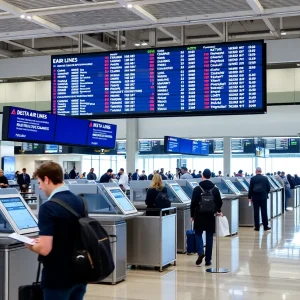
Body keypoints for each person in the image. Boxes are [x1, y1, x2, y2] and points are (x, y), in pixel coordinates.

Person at [25, 162, 86, 299]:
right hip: (80, 273)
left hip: (57, 277)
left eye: (40, 182)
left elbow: (45, 249)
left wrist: (30, 244)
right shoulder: (80, 201)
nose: (39, 187)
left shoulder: (48, 207)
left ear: (47, 179)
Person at [191, 169, 223, 267]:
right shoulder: (215, 189)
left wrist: (192, 215)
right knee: (209, 236)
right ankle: (208, 260)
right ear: (210, 176)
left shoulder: (197, 189)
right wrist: (218, 210)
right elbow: (219, 202)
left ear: (202, 176)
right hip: (210, 216)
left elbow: (193, 203)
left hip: (199, 215)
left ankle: (200, 252)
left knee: (198, 233)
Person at [248, 167, 271, 231]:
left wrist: (249, 197)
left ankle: (257, 227)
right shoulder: (265, 178)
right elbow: (268, 187)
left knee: (256, 212)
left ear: (256, 171)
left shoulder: (252, 179)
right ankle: (265, 226)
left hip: (255, 197)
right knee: (264, 211)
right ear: (261, 171)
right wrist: (266, 193)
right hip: (263, 197)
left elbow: (250, 189)